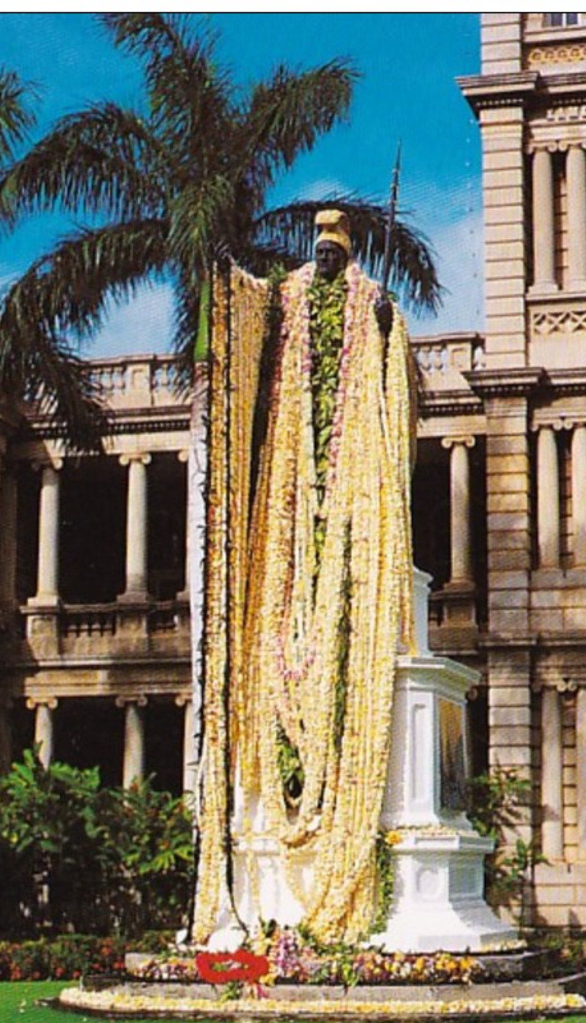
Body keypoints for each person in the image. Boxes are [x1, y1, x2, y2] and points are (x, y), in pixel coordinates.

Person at [192, 209, 417, 946]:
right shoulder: (285, 295)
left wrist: (386, 324)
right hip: (292, 470)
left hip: (348, 460)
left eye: (333, 247)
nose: (323, 255)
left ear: (345, 251)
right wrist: (226, 286)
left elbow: (399, 372)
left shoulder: (370, 296)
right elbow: (253, 323)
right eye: (317, 246)